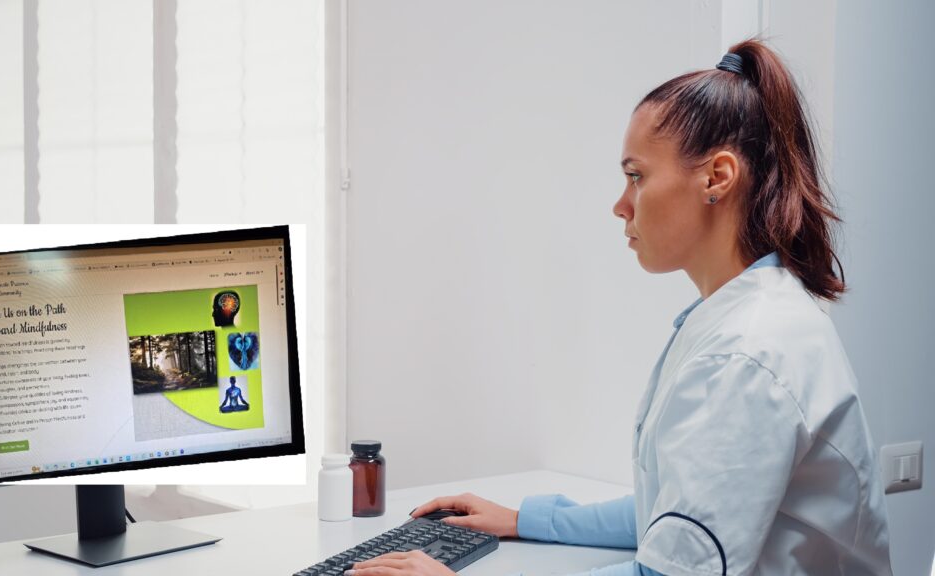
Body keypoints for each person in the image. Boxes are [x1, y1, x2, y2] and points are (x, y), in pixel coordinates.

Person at [344, 38, 892, 576]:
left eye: (637, 176)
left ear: (716, 178)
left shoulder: (746, 354)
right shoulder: (744, 318)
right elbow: (675, 517)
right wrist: (527, 519)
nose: (620, 204)